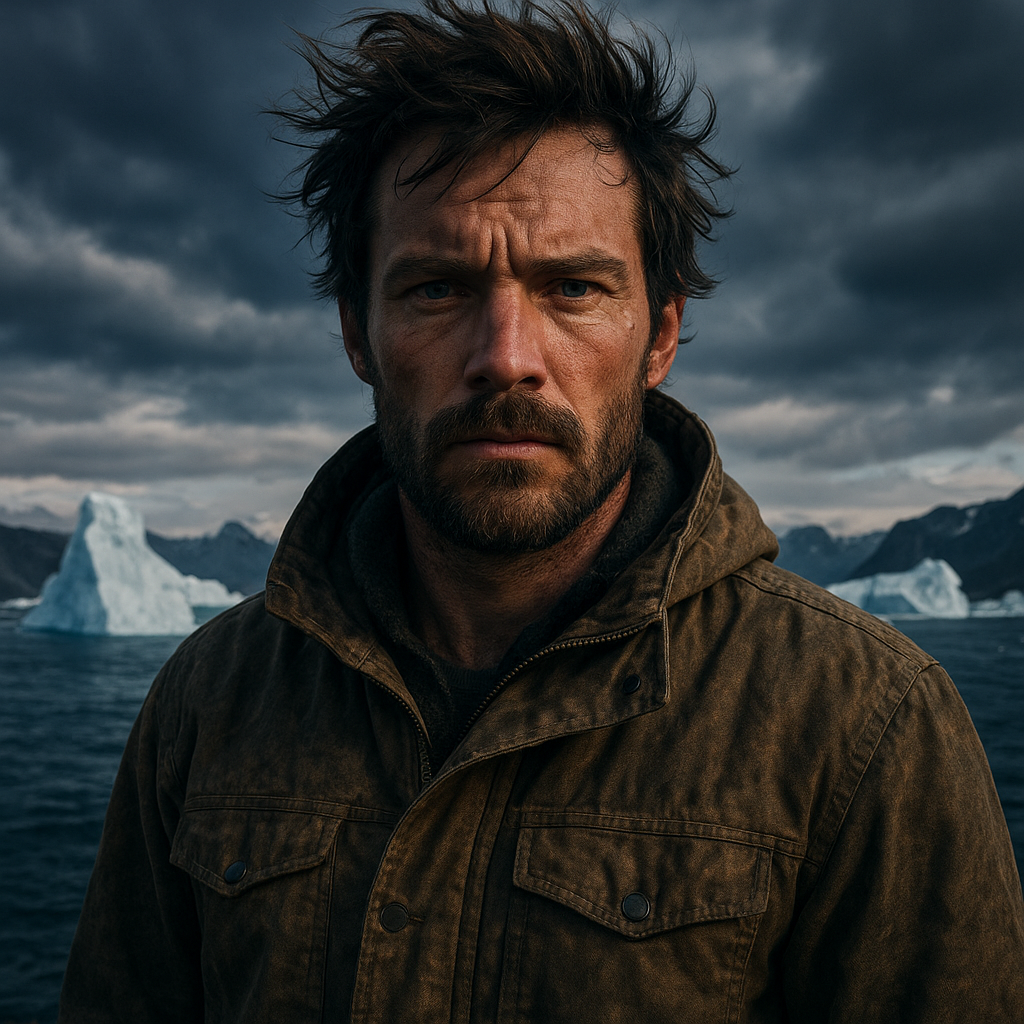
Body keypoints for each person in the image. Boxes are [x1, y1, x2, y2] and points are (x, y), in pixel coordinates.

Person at [59, 1, 1023, 1020]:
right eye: (435, 287)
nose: (505, 355)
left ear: (658, 336)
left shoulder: (865, 725)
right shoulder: (206, 706)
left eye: (571, 286)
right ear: (357, 332)